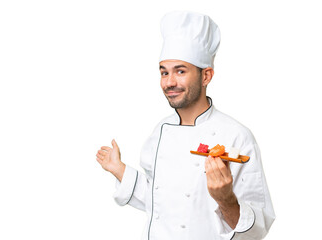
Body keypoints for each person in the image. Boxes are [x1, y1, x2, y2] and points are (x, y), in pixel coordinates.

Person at [96, 11, 275, 240]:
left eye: (180, 71)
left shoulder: (237, 137)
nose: (170, 82)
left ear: (206, 76)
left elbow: (257, 230)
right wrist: (119, 169)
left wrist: (225, 198)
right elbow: (159, 203)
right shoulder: (160, 131)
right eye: (164, 72)